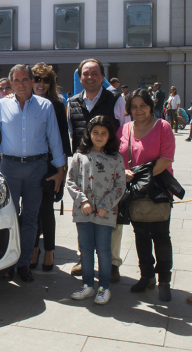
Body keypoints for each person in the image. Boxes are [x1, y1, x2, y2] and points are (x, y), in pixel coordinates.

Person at [0, 64, 66, 283]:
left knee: (30, 217)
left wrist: (60, 171)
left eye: (25, 80)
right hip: (9, 167)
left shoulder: (45, 106)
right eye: (16, 81)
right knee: (8, 216)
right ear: (11, 83)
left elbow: (55, 140)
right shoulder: (1, 105)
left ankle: (24, 264)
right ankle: (7, 263)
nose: (21, 84)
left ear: (31, 81)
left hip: (36, 168)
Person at [66, 59, 126, 280]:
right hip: (84, 170)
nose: (89, 77)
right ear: (80, 77)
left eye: (94, 73)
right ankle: (85, 258)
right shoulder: (72, 102)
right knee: (85, 214)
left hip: (110, 168)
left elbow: (125, 132)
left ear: (103, 77)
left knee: (112, 218)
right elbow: (72, 133)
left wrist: (124, 166)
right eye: (85, 74)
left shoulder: (116, 100)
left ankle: (113, 263)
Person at [119, 88, 176, 302]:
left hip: (157, 189)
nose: (138, 110)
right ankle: (147, 276)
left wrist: (144, 177)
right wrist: (122, 170)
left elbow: (166, 158)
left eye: (142, 105)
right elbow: (118, 155)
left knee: (161, 236)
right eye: (134, 106)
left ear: (151, 106)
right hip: (134, 190)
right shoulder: (125, 129)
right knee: (140, 235)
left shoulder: (163, 126)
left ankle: (164, 281)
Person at [67, 115, 125, 305]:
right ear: (89, 134)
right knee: (85, 249)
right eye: (95, 133)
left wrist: (105, 206)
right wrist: (82, 201)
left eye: (104, 133)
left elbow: (119, 185)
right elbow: (71, 181)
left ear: (109, 136)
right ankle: (87, 285)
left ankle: (104, 287)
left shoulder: (116, 158)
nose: (99, 137)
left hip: (105, 213)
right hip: (83, 212)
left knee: (103, 250)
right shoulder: (79, 156)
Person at [30, 63, 72, 272]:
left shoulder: (56, 104)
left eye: (46, 80)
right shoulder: (24, 102)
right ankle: (34, 248)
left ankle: (49, 251)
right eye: (37, 78)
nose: (41, 83)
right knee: (31, 210)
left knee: (46, 208)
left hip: (50, 164)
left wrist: (61, 171)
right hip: (29, 163)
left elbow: (63, 139)